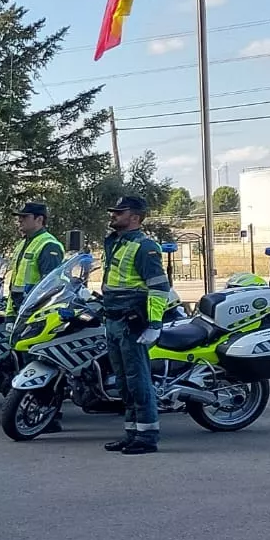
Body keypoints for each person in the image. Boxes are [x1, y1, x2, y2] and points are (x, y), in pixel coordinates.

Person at [100, 195, 170, 455]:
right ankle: (132, 433)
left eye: (120, 212)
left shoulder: (145, 247)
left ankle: (147, 436)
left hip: (132, 322)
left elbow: (159, 288)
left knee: (138, 380)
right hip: (114, 319)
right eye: (114, 211)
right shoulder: (116, 242)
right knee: (124, 382)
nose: (114, 215)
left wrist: (154, 323)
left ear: (136, 217)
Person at [10, 202, 65, 312]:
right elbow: (14, 284)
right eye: (19, 216)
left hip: (34, 312)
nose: (20, 220)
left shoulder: (49, 245)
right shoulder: (23, 243)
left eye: (25, 216)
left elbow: (50, 286)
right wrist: (10, 314)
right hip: (20, 310)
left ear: (39, 219)